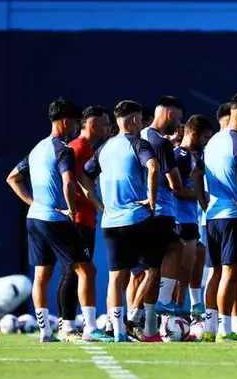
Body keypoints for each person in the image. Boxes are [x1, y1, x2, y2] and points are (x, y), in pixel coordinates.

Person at [6, 99, 110, 343]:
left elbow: (12, 178)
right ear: (65, 122)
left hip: (35, 219)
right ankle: (91, 328)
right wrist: (71, 211)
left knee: (42, 275)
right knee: (87, 270)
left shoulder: (37, 149)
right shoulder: (62, 149)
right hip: (55, 219)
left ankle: (45, 332)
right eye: (74, 123)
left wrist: (33, 203)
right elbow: (68, 181)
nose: (75, 128)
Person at [80, 100, 162, 342]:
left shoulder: (103, 148)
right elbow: (154, 167)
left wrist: (98, 204)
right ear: (135, 120)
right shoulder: (138, 143)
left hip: (110, 221)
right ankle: (138, 321)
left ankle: (117, 332)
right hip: (136, 218)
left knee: (116, 276)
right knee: (153, 271)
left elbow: (84, 176)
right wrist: (152, 198)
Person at [202, 92, 237, 342]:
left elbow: (197, 175)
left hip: (212, 215)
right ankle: (226, 330)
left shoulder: (213, 141)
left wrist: (204, 203)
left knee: (216, 272)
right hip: (232, 215)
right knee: (231, 273)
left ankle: (210, 328)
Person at [58, 105, 109, 340]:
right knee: (75, 271)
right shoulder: (77, 149)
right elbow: (70, 182)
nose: (108, 127)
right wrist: (72, 210)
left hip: (88, 220)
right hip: (76, 220)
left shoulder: (90, 150)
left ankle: (70, 324)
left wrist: (99, 208)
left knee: (78, 271)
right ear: (91, 125)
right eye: (104, 123)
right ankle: (67, 325)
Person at [141, 96, 193, 317]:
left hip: (134, 212)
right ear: (170, 114)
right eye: (179, 118)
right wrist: (201, 196)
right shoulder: (160, 143)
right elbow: (176, 186)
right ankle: (161, 302)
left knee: (140, 273)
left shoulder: (139, 137)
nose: (180, 124)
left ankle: (136, 319)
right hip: (160, 211)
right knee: (174, 250)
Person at [174, 115, 213, 318]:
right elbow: (177, 189)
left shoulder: (195, 157)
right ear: (194, 135)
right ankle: (175, 314)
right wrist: (202, 195)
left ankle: (188, 309)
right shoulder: (180, 155)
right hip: (179, 221)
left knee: (192, 266)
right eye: (205, 138)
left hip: (191, 220)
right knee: (180, 272)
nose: (207, 142)